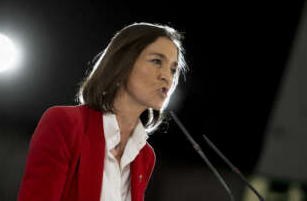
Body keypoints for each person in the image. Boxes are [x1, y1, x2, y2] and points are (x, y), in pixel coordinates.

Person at [17, 22, 188, 201]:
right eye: (156, 61)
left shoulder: (145, 155)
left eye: (173, 69)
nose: (167, 76)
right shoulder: (65, 123)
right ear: (122, 63)